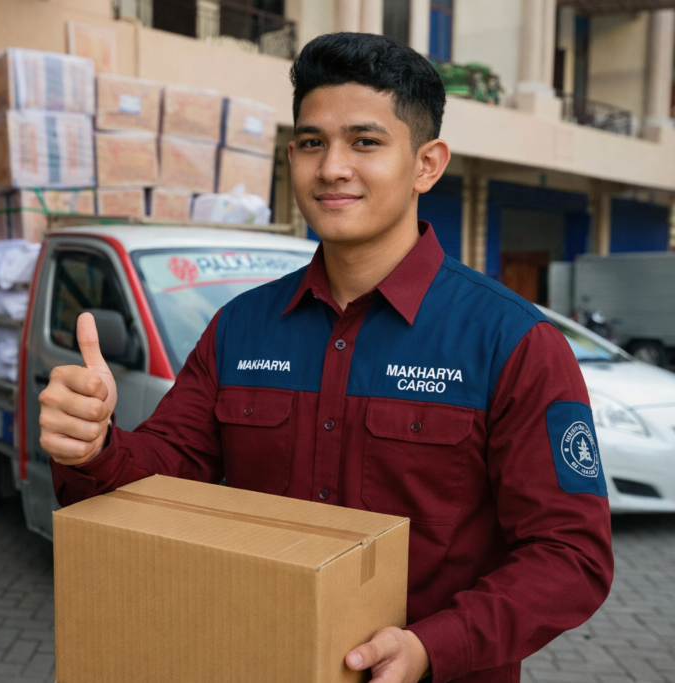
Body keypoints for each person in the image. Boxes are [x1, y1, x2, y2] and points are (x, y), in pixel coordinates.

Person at [38, 32, 613, 683]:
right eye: (312, 142)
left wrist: (432, 645)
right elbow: (161, 475)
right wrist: (90, 446)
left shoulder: (511, 342)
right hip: (263, 658)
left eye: (365, 142)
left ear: (427, 163)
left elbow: (571, 556)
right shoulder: (241, 329)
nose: (332, 167)